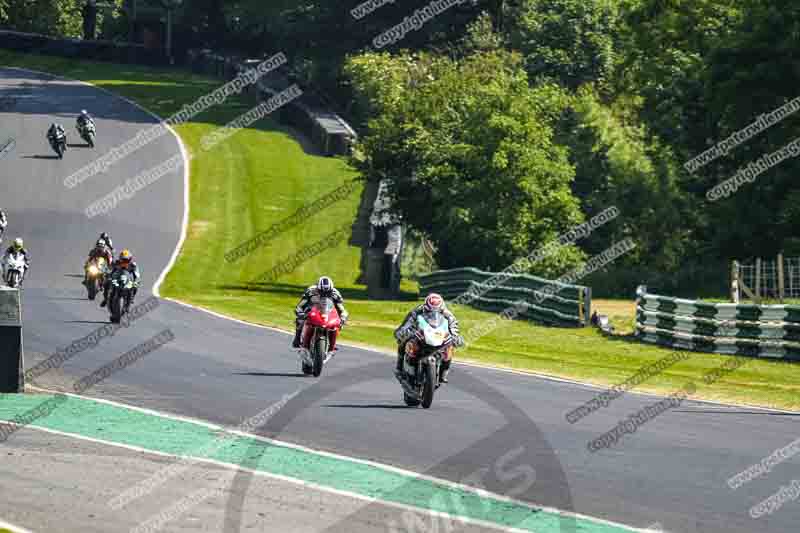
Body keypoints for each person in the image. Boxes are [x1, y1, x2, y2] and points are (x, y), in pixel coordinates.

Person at [393, 293, 464, 383]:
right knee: (403, 342)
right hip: (419, 334)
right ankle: (399, 368)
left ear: (441, 308)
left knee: (449, 348)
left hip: (438, 335)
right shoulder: (417, 311)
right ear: (425, 307)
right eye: (429, 310)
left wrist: (455, 336)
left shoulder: (447, 313)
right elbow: (407, 323)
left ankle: (444, 373)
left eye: (437, 310)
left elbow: (453, 325)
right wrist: (402, 332)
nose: (433, 312)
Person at [292, 276, 349, 348]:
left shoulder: (335, 293)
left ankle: (332, 343)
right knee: (300, 320)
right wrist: (300, 313)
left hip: (328, 312)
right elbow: (300, 305)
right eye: (322, 292)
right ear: (318, 288)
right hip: (312, 310)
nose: (325, 294)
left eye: (328, 293)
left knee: (339, 324)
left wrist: (343, 317)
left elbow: (341, 308)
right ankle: (297, 338)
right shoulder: (311, 291)